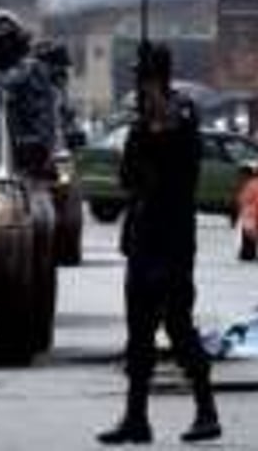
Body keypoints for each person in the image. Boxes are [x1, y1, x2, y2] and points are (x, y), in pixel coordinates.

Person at [98, 43, 221, 446]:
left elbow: (179, 145)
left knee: (178, 326)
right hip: (143, 235)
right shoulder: (139, 122)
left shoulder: (181, 111)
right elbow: (127, 177)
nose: (138, 82)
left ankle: (207, 411)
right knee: (138, 333)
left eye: (143, 75)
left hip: (172, 237)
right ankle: (136, 418)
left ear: (156, 75)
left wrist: (156, 126)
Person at [0, 10, 58, 177]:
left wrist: (37, 146)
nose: (5, 47)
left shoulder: (33, 72)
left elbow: (45, 117)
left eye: (9, 40)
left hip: (29, 166)